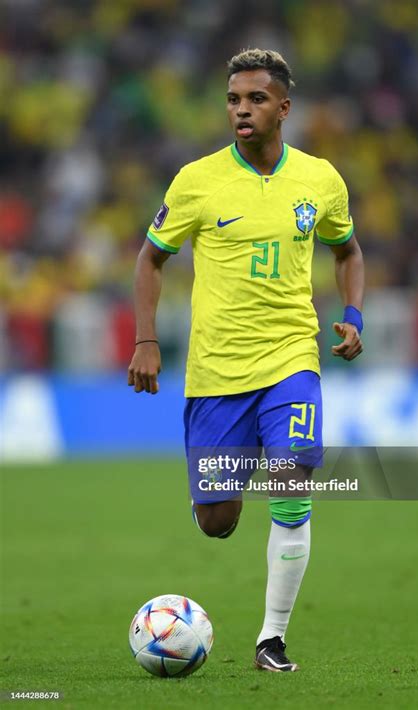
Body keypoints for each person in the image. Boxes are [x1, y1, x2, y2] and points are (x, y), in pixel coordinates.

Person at [128, 48, 364, 672]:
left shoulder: (320, 179)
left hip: (292, 357)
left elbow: (348, 250)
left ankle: (271, 640)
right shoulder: (197, 181)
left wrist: (354, 313)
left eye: (256, 99)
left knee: (291, 484)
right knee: (218, 520)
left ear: (284, 108)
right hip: (215, 373)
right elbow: (150, 259)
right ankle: (220, 489)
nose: (241, 109)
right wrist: (146, 340)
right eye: (234, 99)